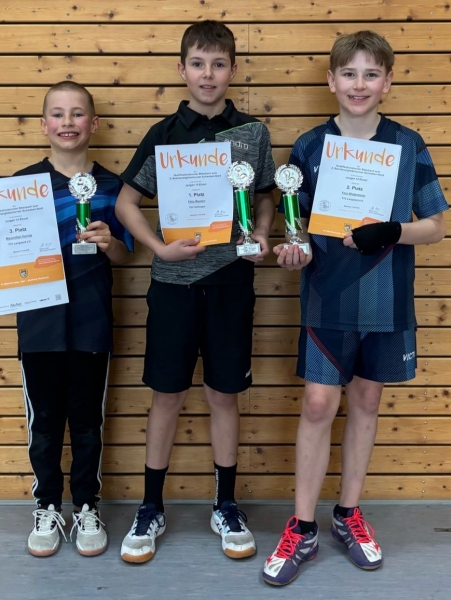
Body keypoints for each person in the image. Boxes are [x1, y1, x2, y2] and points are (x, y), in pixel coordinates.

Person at [262, 31, 449, 586]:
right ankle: (302, 526)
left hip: (387, 299)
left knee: (367, 400)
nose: (359, 84)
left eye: (371, 74)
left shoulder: (408, 144)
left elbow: (436, 226)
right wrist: (293, 252)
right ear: (331, 81)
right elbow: (295, 227)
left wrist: (393, 230)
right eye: (349, 74)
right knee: (319, 404)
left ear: (387, 82)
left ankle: (348, 514)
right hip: (327, 298)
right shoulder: (309, 146)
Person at [114, 20, 277, 563]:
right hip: (173, 288)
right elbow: (125, 204)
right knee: (167, 395)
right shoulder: (164, 133)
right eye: (199, 64)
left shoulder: (252, 133)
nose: (209, 75)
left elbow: (265, 195)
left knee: (224, 394)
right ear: (181, 70)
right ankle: (151, 506)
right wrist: (158, 250)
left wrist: (261, 232)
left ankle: (226, 505)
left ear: (233, 70)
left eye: (219, 64)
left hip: (231, 283)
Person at [0, 81, 133, 558]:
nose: (67, 122)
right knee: (43, 424)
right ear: (43, 125)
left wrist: (110, 243)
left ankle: (86, 506)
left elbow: (126, 254)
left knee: (86, 422)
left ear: (93, 124)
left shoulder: (113, 188)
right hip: (38, 325)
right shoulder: (16, 188)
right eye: (58, 114)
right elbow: (0, 256)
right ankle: (46, 506)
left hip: (91, 321)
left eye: (77, 113)